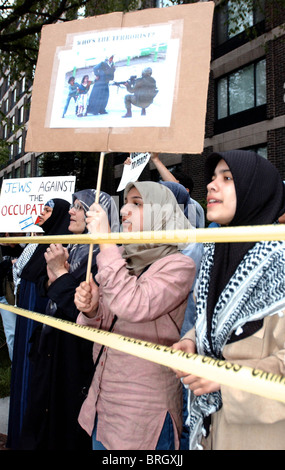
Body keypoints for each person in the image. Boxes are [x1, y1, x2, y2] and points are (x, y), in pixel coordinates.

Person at [173, 149, 285, 450]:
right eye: (212, 178)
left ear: (255, 191)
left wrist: (227, 379)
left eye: (228, 178)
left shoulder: (281, 263)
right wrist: (192, 341)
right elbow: (220, 319)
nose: (211, 185)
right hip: (210, 429)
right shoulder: (214, 253)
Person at [74, 181, 196, 450]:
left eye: (137, 204)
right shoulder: (119, 257)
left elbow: (135, 305)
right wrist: (93, 309)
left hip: (144, 409)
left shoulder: (178, 266)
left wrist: (106, 243)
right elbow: (107, 321)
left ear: (161, 212)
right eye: (126, 202)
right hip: (103, 401)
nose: (124, 211)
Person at [18, 189, 119, 450]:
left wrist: (60, 275)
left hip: (76, 354)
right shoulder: (71, 247)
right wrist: (55, 276)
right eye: (72, 206)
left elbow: (82, 308)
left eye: (80, 207)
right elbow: (40, 281)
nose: (72, 212)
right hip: (51, 344)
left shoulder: (103, 257)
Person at [7, 198, 71, 450]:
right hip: (27, 313)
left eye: (48, 210)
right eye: (42, 209)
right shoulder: (37, 242)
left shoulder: (62, 244)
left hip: (42, 316)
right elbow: (22, 271)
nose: (42, 213)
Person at [0, 233, 24, 360]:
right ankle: (16, 367)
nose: (19, 237)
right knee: (12, 333)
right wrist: (9, 263)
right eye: (16, 234)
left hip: (20, 294)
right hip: (4, 296)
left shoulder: (20, 248)